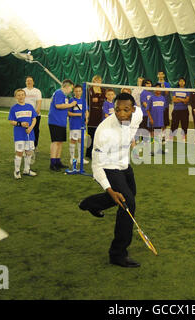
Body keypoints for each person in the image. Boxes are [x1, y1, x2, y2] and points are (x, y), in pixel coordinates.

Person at [79, 93, 143, 268]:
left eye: (126, 110)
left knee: (128, 195)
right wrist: (109, 189)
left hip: (125, 164)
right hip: (108, 166)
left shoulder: (138, 115)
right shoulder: (103, 130)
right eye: (117, 110)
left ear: (134, 110)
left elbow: (132, 129)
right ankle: (118, 253)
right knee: (127, 203)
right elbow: (97, 165)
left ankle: (92, 203)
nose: (121, 113)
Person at [48, 79, 77, 171]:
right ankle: (52, 163)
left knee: (60, 142)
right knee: (55, 142)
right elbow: (58, 105)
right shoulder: (59, 92)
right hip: (55, 121)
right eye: (71, 88)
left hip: (61, 121)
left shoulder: (64, 95)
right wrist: (71, 105)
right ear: (67, 86)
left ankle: (57, 161)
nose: (71, 91)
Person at [8, 89, 38, 179]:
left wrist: (30, 128)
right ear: (16, 97)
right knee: (19, 153)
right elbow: (11, 121)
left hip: (30, 134)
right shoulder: (14, 108)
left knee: (29, 152)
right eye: (18, 95)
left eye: (22, 94)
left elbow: (34, 119)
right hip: (19, 135)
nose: (21, 96)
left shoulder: (30, 106)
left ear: (25, 96)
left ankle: (27, 170)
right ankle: (17, 171)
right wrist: (20, 124)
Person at [68, 84, 89, 166]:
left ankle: (80, 158)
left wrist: (86, 118)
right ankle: (72, 158)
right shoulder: (71, 100)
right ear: (74, 92)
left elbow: (86, 111)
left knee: (81, 141)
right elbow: (68, 113)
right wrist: (78, 115)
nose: (78, 92)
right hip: (74, 124)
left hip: (82, 124)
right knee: (73, 140)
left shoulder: (83, 100)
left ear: (82, 91)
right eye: (76, 91)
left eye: (79, 91)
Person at [86, 75, 106, 160]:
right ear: (93, 81)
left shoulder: (103, 90)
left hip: (100, 114)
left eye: (99, 81)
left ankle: (97, 152)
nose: (97, 82)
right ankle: (88, 152)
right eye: (96, 81)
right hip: (92, 114)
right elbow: (87, 101)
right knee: (91, 134)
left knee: (99, 135)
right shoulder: (89, 90)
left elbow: (105, 100)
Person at [23, 76, 42, 152]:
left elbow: (39, 103)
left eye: (30, 80)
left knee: (35, 130)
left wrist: (35, 113)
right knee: (25, 130)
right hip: (25, 115)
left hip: (36, 115)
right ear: (25, 82)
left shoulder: (37, 91)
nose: (29, 82)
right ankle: (25, 146)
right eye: (27, 81)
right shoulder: (23, 91)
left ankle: (35, 146)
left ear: (33, 82)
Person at [147, 83, 167, 154]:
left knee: (158, 136)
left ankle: (158, 149)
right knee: (152, 136)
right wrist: (151, 119)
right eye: (157, 88)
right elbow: (147, 109)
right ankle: (151, 150)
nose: (158, 90)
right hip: (153, 120)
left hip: (160, 121)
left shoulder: (163, 98)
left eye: (159, 88)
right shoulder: (151, 98)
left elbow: (163, 109)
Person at [170, 77, 190, 142]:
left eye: (183, 81)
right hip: (176, 111)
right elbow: (174, 100)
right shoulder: (175, 90)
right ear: (178, 82)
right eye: (180, 81)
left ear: (184, 82)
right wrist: (182, 99)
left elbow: (186, 101)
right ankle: (171, 138)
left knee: (184, 125)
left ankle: (184, 138)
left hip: (184, 111)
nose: (181, 82)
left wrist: (179, 98)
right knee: (174, 125)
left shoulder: (187, 90)